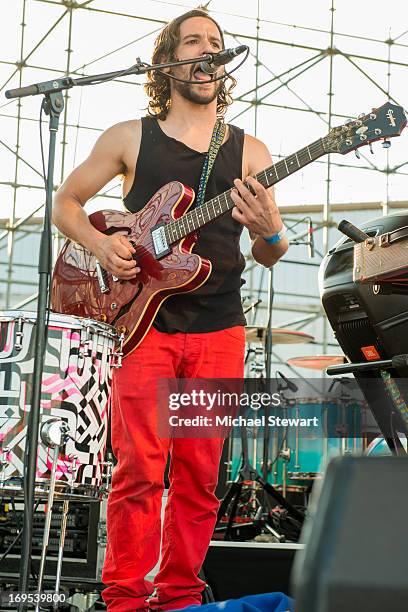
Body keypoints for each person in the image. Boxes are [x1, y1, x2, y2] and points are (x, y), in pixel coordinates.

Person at [52, 9, 288, 612]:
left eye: (215, 44)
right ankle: (125, 598)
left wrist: (269, 232)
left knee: (198, 474)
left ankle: (179, 596)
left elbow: (271, 251)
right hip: (141, 328)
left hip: (218, 328)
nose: (207, 51)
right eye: (193, 41)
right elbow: (68, 203)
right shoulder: (130, 136)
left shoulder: (250, 150)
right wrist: (103, 243)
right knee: (138, 473)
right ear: (168, 59)